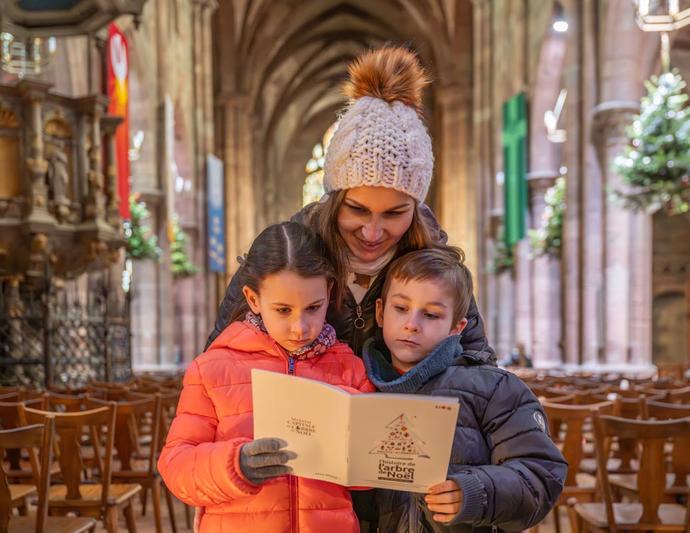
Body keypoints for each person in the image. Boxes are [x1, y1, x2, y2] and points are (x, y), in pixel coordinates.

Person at [207, 46, 494, 530]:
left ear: (416, 206)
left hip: (404, 492)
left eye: (394, 213)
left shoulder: (436, 270)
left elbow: (476, 374)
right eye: (357, 210)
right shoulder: (286, 260)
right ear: (334, 195)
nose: (374, 231)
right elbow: (223, 360)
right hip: (302, 489)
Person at [158, 222, 374, 533]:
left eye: (313, 307)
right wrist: (236, 464)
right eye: (283, 310)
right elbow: (176, 465)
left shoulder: (348, 368)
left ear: (328, 292)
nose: (301, 327)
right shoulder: (212, 369)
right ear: (253, 299)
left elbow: (365, 481)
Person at [362, 247, 567, 532]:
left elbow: (540, 476)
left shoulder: (495, 389)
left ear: (456, 328)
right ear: (381, 312)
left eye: (431, 315)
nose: (411, 325)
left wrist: (475, 492)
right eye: (401, 308)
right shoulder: (357, 385)